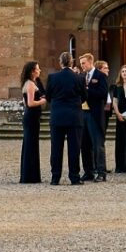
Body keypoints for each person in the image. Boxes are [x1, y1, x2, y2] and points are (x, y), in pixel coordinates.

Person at [46, 52, 86, 185]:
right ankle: (74, 177)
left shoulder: (52, 77)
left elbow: (48, 96)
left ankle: (55, 177)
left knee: (56, 148)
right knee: (74, 148)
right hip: (74, 116)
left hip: (57, 115)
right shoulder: (79, 78)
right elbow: (84, 96)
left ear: (60, 62)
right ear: (72, 62)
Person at [82, 58, 109, 180]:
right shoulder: (82, 76)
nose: (82, 65)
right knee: (85, 144)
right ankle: (88, 171)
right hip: (82, 113)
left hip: (95, 113)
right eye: (81, 63)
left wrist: (88, 90)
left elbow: (103, 93)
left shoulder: (100, 75)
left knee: (98, 144)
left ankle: (101, 172)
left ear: (90, 62)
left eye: (84, 63)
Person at [19, 61, 45, 183]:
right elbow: (29, 103)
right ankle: (29, 176)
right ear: (33, 71)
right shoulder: (29, 84)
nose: (40, 71)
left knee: (31, 144)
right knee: (30, 145)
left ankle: (31, 175)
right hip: (31, 117)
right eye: (38, 69)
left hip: (33, 117)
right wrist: (43, 101)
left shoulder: (31, 83)